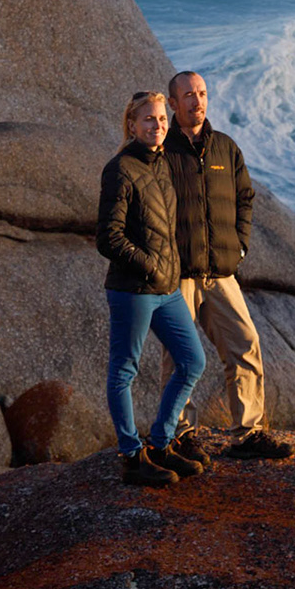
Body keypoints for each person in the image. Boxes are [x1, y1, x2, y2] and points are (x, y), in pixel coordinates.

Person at [164, 70, 293, 460]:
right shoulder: (161, 152)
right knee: (178, 357)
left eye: (202, 93)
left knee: (245, 345)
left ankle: (249, 433)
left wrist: (239, 248)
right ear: (173, 104)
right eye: (188, 95)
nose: (196, 101)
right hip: (179, 275)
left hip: (220, 272)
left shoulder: (225, 148)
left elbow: (245, 198)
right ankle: (180, 436)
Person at [97, 90, 212, 486]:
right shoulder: (120, 169)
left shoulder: (162, 163)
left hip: (167, 288)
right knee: (124, 372)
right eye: (149, 120)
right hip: (133, 289)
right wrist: (148, 265)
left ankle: (161, 443)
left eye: (162, 119)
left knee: (193, 361)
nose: (157, 126)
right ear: (132, 125)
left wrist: (174, 266)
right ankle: (132, 456)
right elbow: (108, 237)